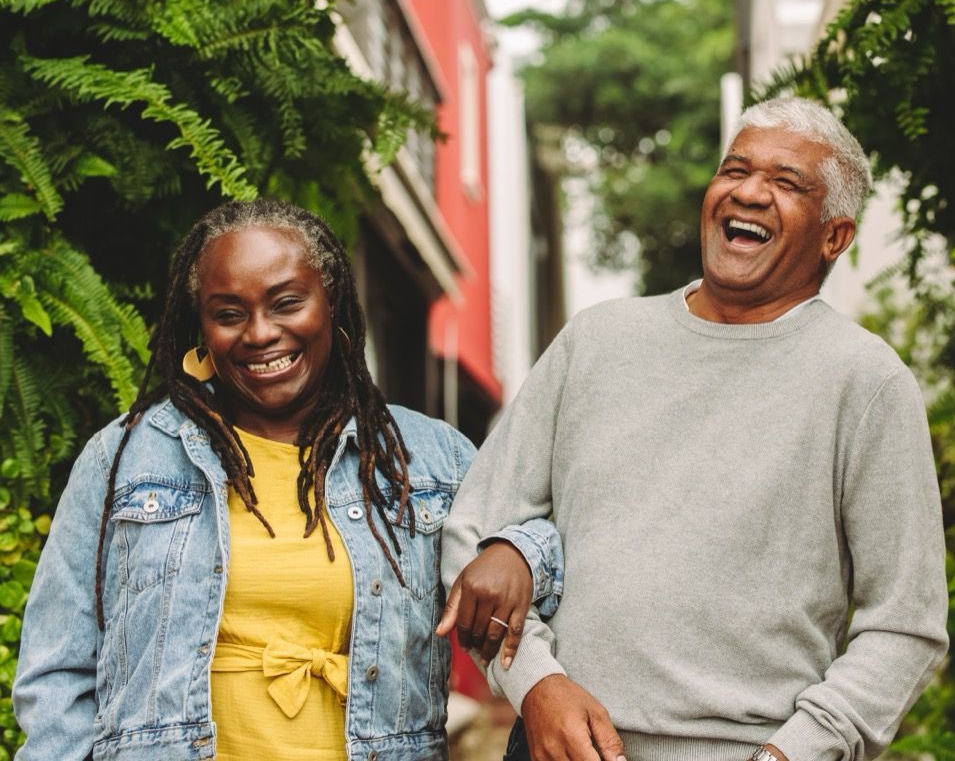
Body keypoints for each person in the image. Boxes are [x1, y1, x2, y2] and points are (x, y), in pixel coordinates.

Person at [442, 96, 949, 761]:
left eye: (786, 182)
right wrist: (537, 686)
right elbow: (474, 531)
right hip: (557, 745)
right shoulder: (596, 343)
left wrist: (795, 753)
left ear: (835, 236)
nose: (750, 191)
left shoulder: (867, 383)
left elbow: (905, 626)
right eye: (735, 170)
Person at [13, 200, 563, 760]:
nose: (260, 333)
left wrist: (516, 551)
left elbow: (554, 549)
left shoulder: (427, 460)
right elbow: (57, 673)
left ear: (332, 305)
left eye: (286, 304)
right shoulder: (127, 457)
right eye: (228, 313)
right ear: (199, 328)